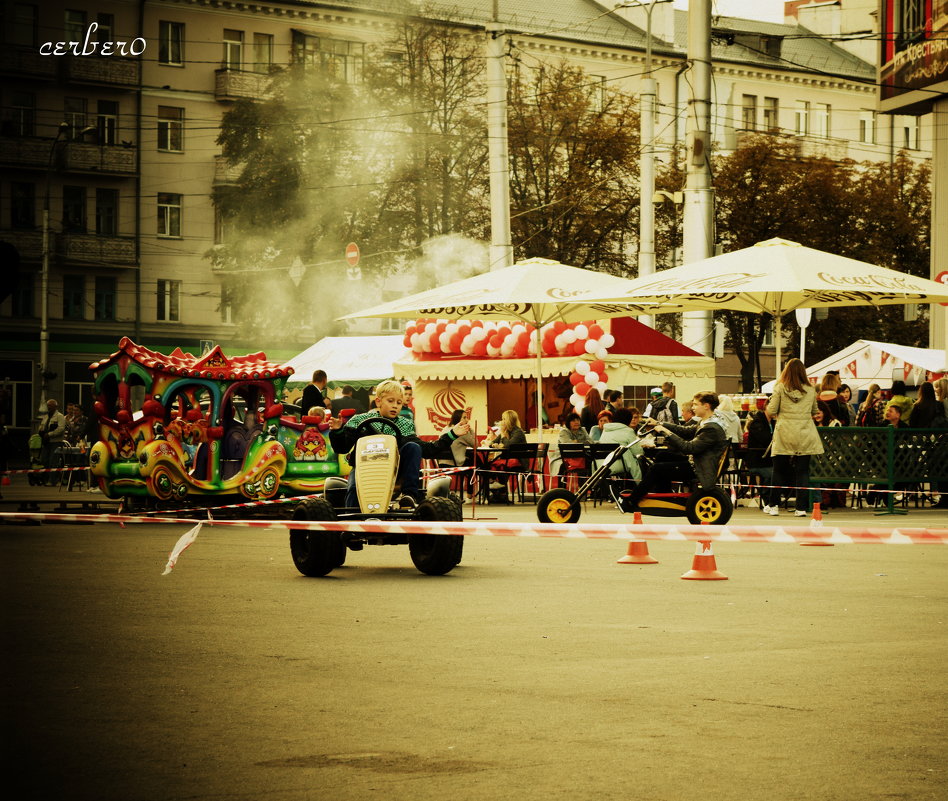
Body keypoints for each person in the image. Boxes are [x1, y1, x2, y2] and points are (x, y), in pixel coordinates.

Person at [328, 380, 468, 507]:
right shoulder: (359, 420)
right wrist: (337, 431)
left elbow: (428, 450)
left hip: (394, 471)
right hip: (364, 468)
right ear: (378, 401)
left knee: (413, 446)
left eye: (399, 403)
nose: (395, 406)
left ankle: (409, 495)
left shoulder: (404, 425)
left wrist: (452, 434)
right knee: (353, 490)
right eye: (391, 401)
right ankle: (351, 524)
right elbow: (342, 447)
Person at [624, 391, 727, 508]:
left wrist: (666, 432)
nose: (693, 408)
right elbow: (685, 430)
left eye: (695, 405)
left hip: (700, 468)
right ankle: (663, 494)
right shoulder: (707, 421)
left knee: (656, 469)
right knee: (662, 456)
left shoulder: (711, 428)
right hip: (699, 462)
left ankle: (633, 500)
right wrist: (658, 423)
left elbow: (688, 448)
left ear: (706, 406)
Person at [764, 358, 823, 517]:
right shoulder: (811, 390)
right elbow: (814, 410)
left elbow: (771, 410)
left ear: (786, 371)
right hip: (804, 432)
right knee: (802, 471)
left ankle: (774, 505)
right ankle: (801, 508)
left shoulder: (780, 388)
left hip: (784, 432)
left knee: (779, 470)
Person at [596, 406, 643, 483]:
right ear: (628, 419)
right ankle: (640, 487)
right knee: (639, 462)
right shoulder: (628, 431)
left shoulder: (606, 430)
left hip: (601, 465)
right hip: (619, 465)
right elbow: (637, 452)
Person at [551, 411, 591, 481]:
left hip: (581, 456)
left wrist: (577, 442)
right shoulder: (564, 432)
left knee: (590, 462)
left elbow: (591, 442)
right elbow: (569, 446)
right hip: (564, 458)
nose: (576, 422)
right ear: (568, 423)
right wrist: (582, 443)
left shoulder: (582, 430)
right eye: (573, 420)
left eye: (578, 420)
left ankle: (585, 487)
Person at [37, 398, 67, 484]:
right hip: (46, 442)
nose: (48, 407)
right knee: (44, 460)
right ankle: (45, 479)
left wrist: (50, 434)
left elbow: (61, 429)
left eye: (50, 405)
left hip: (55, 442)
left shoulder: (60, 416)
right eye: (48, 405)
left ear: (55, 406)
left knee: (53, 461)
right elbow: (41, 426)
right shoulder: (45, 416)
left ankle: (52, 480)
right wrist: (41, 431)